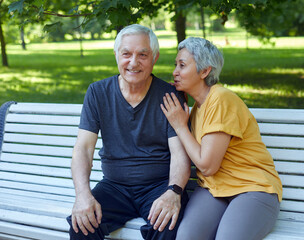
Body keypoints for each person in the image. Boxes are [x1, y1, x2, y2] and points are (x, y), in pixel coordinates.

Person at [66, 24, 191, 240]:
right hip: (114, 188)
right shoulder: (97, 93)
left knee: (169, 228)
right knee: (81, 225)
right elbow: (84, 149)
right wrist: (83, 195)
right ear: (116, 55)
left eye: (143, 55)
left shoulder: (170, 95)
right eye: (126, 54)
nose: (133, 62)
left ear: (155, 57)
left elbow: (180, 153)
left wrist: (173, 192)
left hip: (159, 187)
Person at [160, 37, 283, 240]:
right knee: (187, 237)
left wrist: (180, 126)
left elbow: (208, 166)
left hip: (252, 188)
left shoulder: (221, 99)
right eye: (176, 65)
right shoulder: (197, 109)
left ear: (204, 71)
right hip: (213, 189)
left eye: (182, 65)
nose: (175, 72)